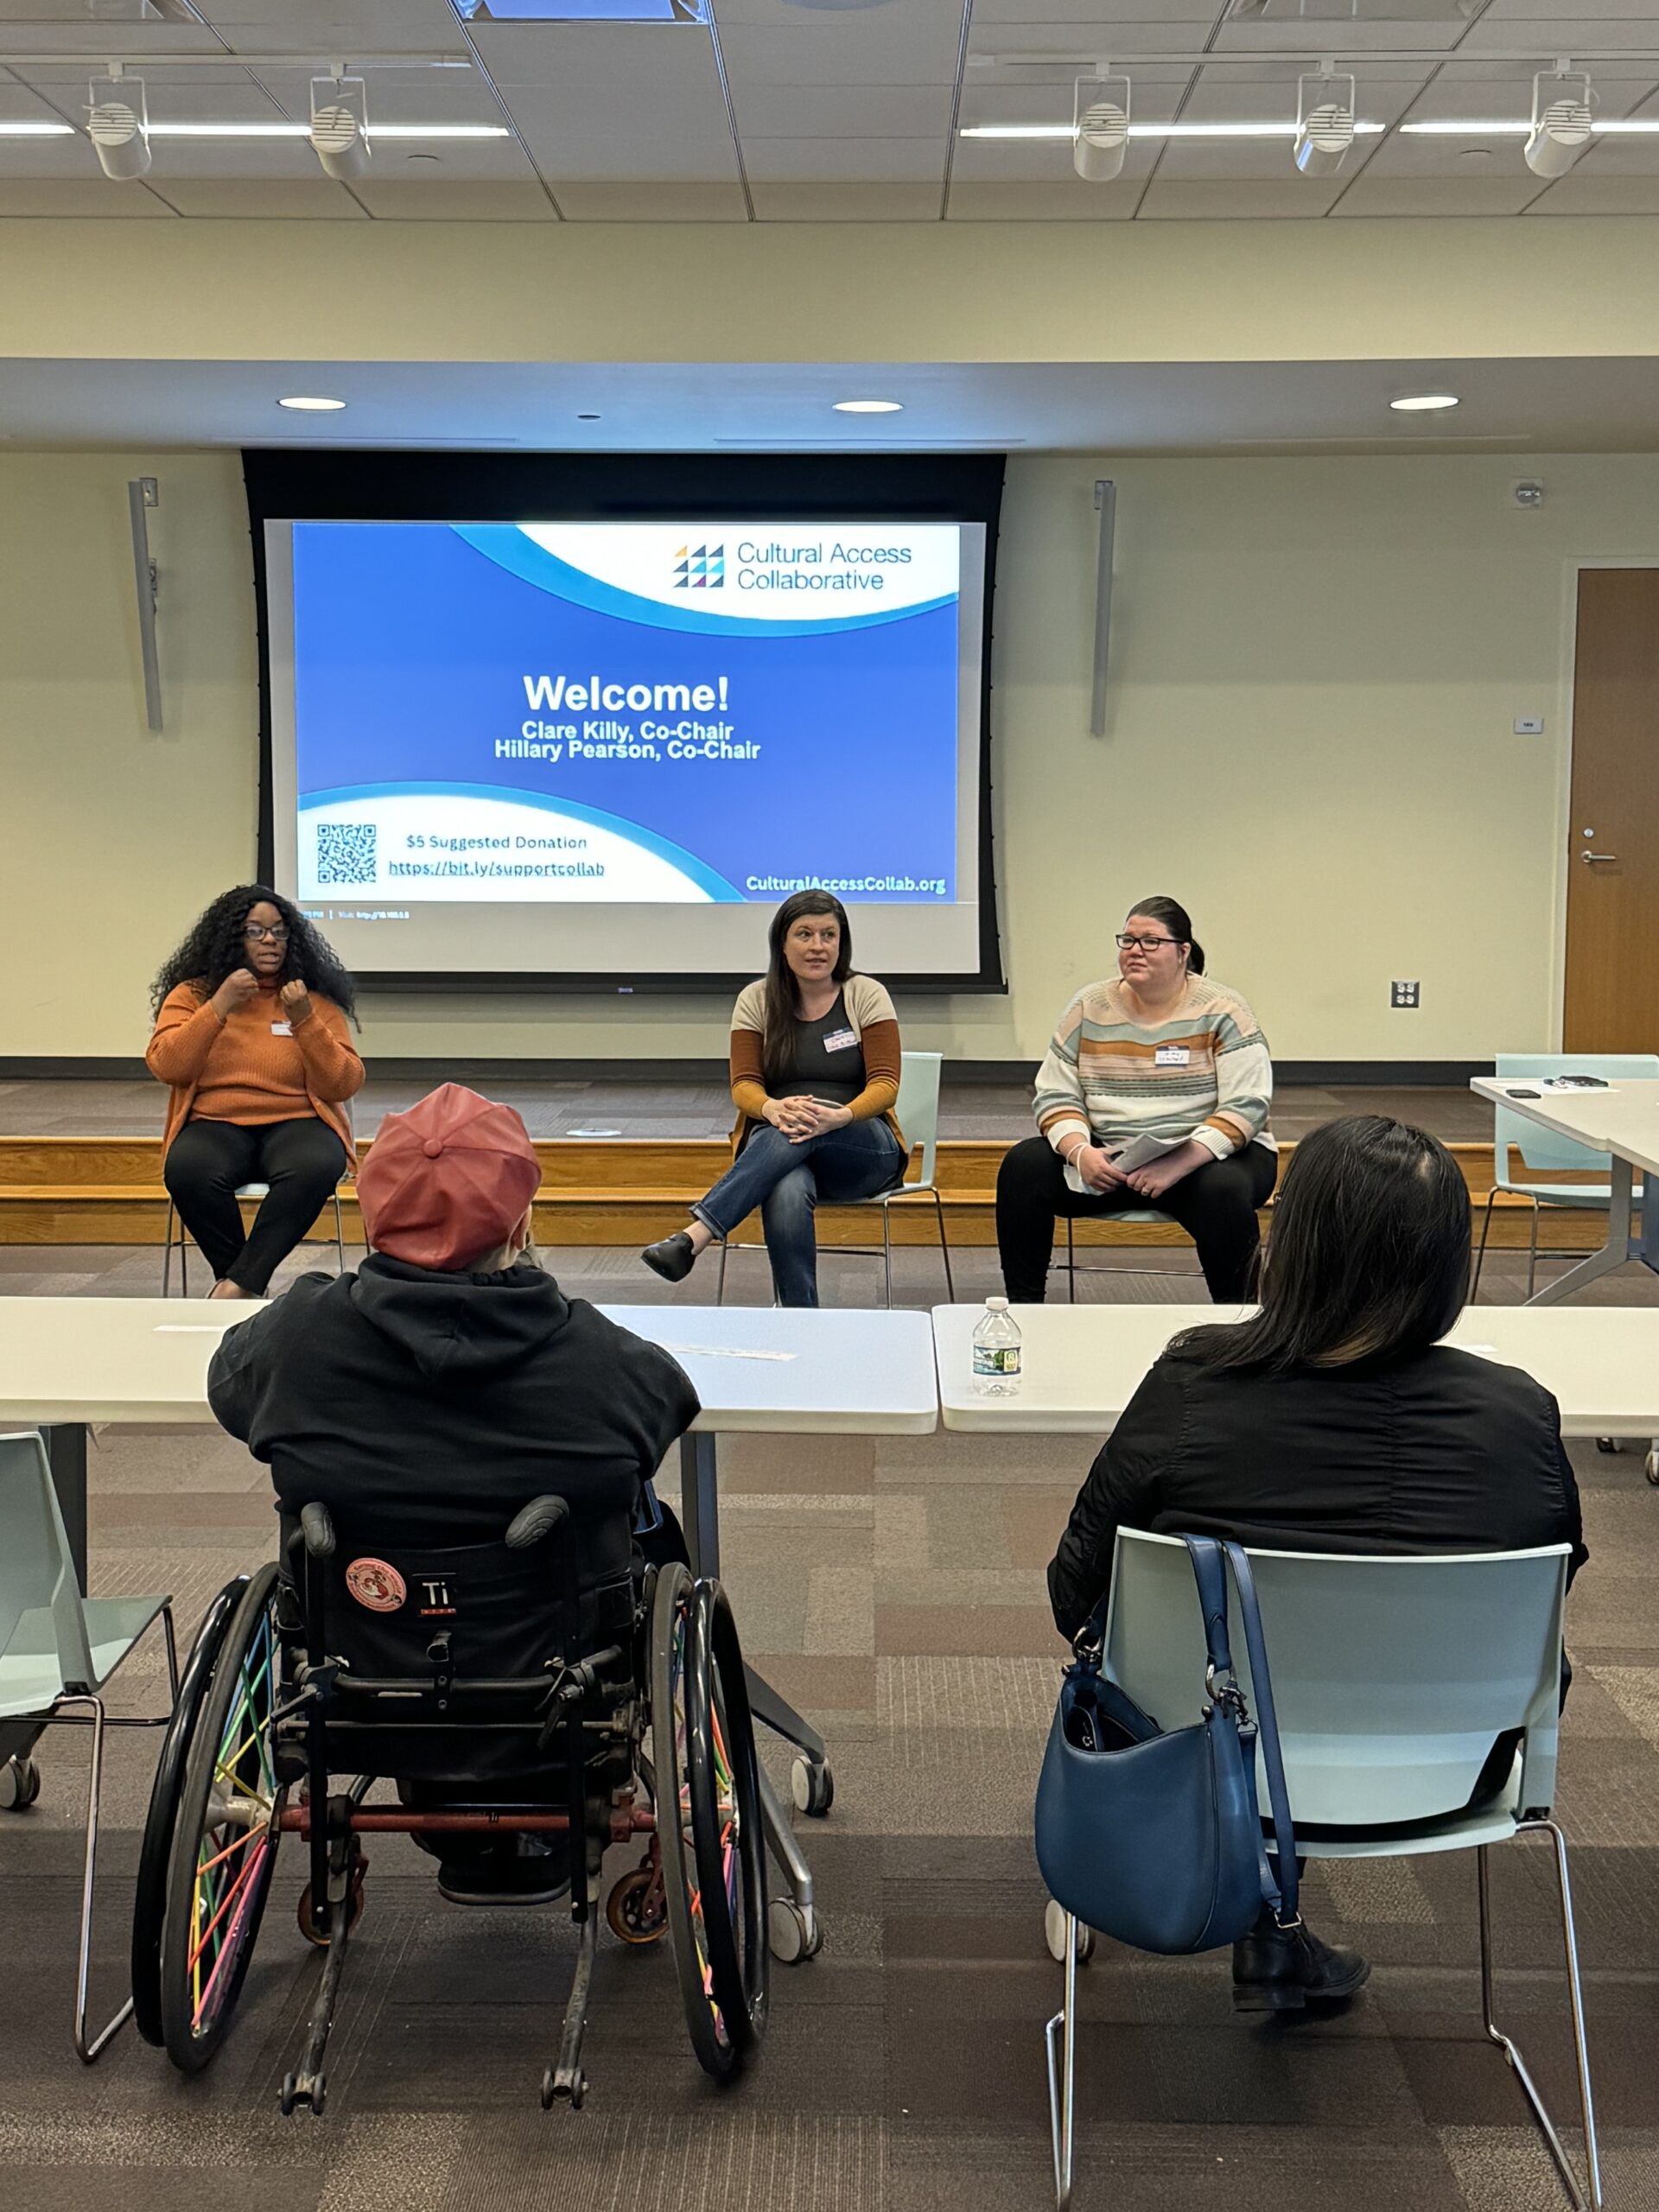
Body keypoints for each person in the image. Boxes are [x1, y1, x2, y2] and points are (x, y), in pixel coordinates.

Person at [1047, 1113, 1587, 2012]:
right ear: (1451, 1260)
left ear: (1288, 1244)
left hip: (1201, 1757)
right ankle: (1277, 1930)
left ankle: (1263, 1917)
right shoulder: (1519, 1414)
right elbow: (1552, 1591)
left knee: (1215, 1660)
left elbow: (1075, 1592)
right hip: (1457, 1770)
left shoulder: (1193, 1382)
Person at [207, 1081, 700, 1904]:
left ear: (375, 1212)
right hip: (558, 1678)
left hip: (360, 1668)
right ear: (518, 1222)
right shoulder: (597, 1361)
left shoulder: (298, 1337)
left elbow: (229, 1387)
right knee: (650, 1526)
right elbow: (668, 1407)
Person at [996, 896, 1277, 1305]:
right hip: (1111, 1161)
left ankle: (1241, 1325)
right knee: (1024, 1166)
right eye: (1127, 940)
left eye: (1149, 941)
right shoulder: (1089, 1005)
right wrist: (1080, 1153)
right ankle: (1025, 1311)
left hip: (1203, 1161)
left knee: (1222, 1191)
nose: (1134, 951)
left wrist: (1178, 1163)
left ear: (1183, 952)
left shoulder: (1223, 1008)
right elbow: (1055, 1093)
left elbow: (1248, 1106)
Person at [640, 891, 906, 1307]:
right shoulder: (756, 999)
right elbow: (744, 1084)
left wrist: (837, 1117)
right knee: (785, 1184)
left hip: (861, 1146)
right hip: (782, 1146)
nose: (817, 946)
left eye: (828, 935)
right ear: (782, 944)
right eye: (804, 934)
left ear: (842, 943)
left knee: (798, 1132)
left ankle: (696, 1235)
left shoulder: (865, 994)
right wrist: (772, 1108)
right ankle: (801, 1320)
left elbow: (886, 1084)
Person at [147, 885, 364, 1300]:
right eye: (255, 931)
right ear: (230, 938)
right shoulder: (192, 996)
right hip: (216, 1122)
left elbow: (343, 1083)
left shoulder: (309, 999)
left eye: (279, 932)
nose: (269, 941)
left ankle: (235, 1288)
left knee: (318, 1163)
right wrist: (219, 1006)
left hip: (296, 1123)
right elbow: (168, 1065)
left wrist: (305, 1022)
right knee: (189, 1169)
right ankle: (243, 1282)